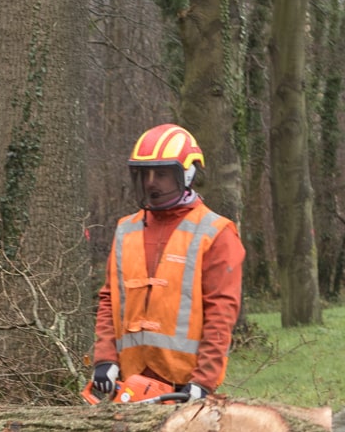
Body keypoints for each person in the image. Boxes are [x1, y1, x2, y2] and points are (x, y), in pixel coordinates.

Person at [88, 124, 245, 403]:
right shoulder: (126, 229)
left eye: (161, 174)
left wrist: (203, 380)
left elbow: (220, 313)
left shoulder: (215, 233)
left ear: (187, 174)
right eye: (145, 174)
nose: (151, 182)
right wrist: (105, 358)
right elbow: (109, 300)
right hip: (129, 381)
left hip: (182, 384)